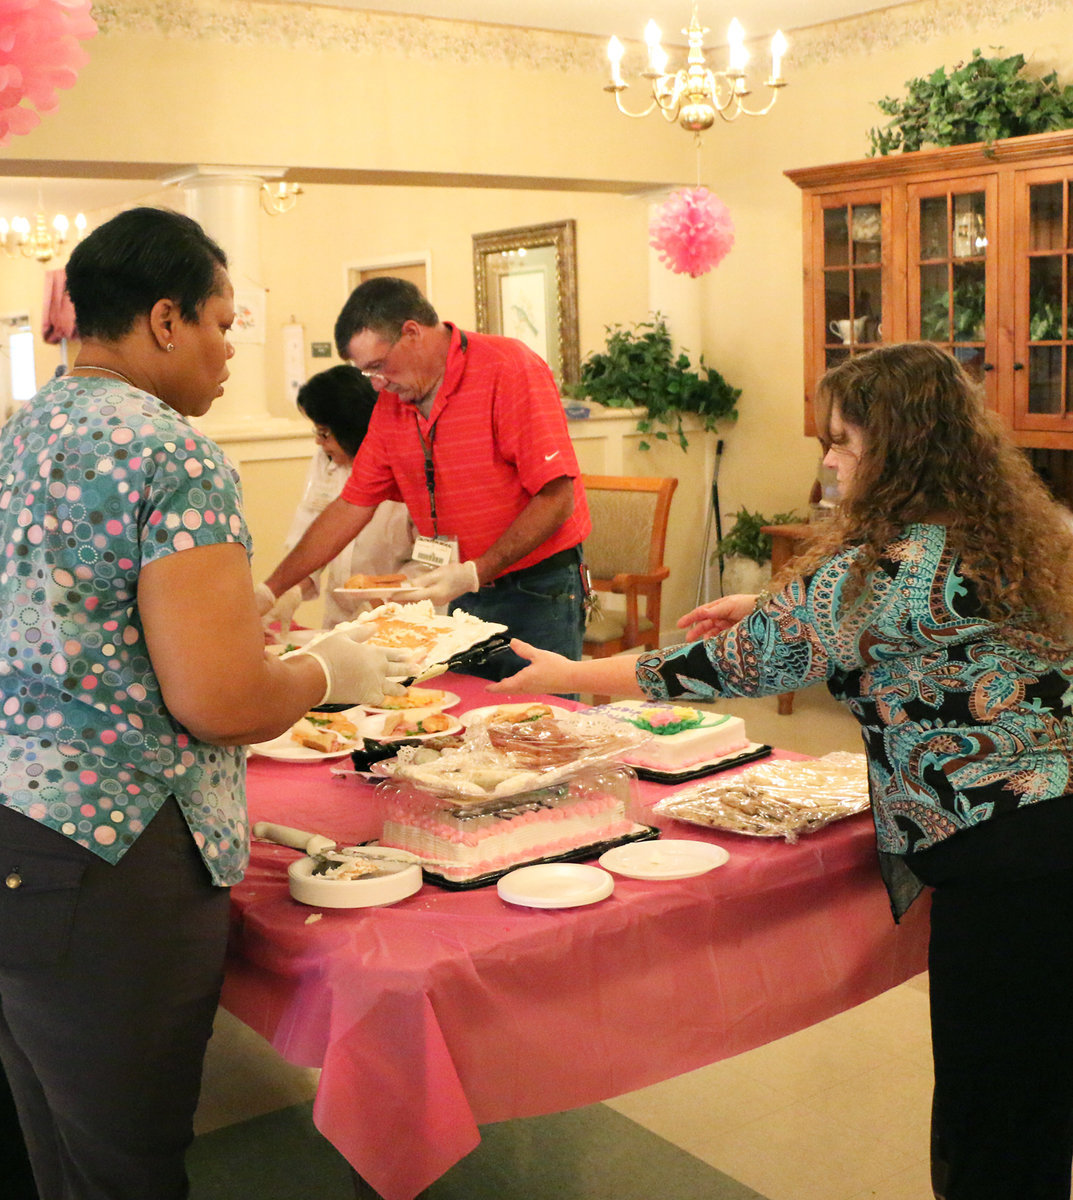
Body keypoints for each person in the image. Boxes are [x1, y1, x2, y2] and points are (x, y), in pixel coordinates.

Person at [489, 342, 1073, 1200]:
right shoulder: (996, 532)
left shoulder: (874, 570)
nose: (829, 462)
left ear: (900, 449)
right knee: (1038, 1100)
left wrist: (561, 674)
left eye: (842, 443)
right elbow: (892, 624)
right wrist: (765, 606)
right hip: (1054, 828)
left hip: (1005, 861)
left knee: (994, 1124)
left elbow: (707, 672)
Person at [0, 207, 413, 1200]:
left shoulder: (24, 430)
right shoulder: (167, 451)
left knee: (51, 1135)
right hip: (113, 854)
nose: (233, 350)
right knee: (126, 1157)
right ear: (164, 318)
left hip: (18, 819)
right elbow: (222, 701)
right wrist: (333, 672)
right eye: (224, 323)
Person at [258, 276, 591, 679]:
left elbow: (557, 499)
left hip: (537, 588)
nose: (378, 383)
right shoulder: (392, 405)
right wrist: (272, 589)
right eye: (367, 374)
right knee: (474, 719)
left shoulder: (507, 368)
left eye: (378, 367)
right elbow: (350, 506)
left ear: (412, 332)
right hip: (465, 588)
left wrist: (476, 570)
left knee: (543, 722)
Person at [258, 365, 413, 630]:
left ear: (351, 428)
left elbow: (431, 561)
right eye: (316, 431)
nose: (319, 442)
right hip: (339, 622)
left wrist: (382, 603)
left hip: (404, 620)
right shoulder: (326, 460)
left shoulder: (406, 465)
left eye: (325, 433)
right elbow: (311, 536)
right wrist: (287, 591)